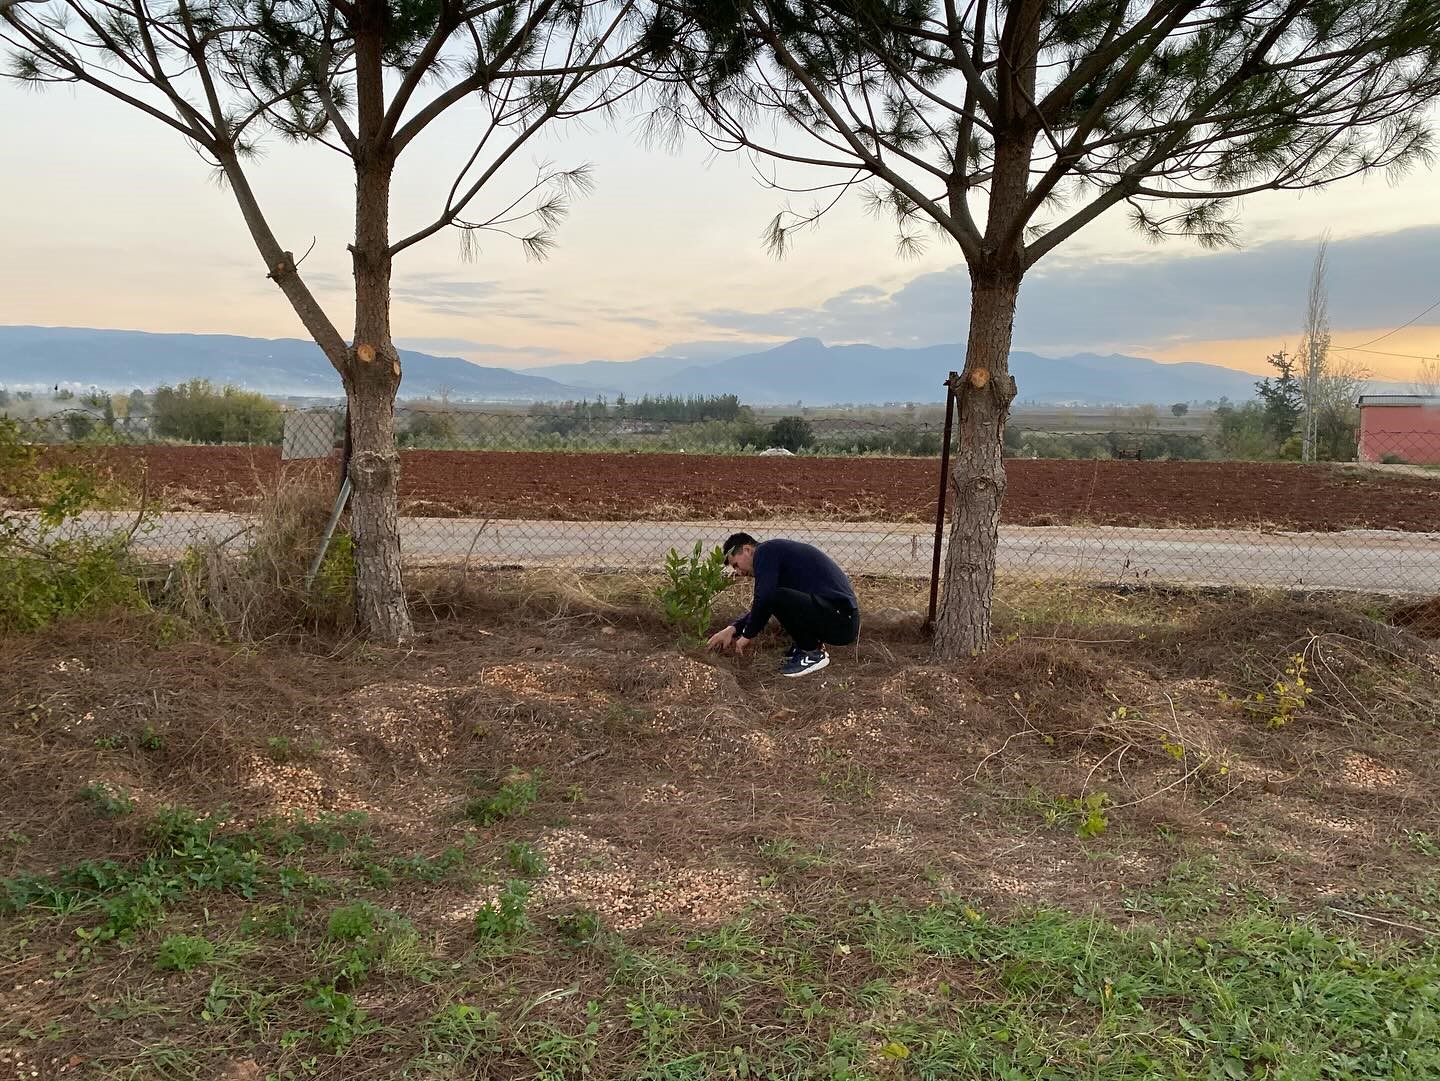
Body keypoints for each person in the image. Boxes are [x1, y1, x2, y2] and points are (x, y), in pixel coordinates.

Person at [706, 532, 860, 677]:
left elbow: (765, 598)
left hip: (841, 619)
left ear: (747, 550)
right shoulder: (776, 557)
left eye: (736, 565)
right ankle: (806, 646)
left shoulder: (765, 551)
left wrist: (747, 635)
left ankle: (811, 652)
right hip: (838, 618)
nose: (738, 572)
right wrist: (733, 629)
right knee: (775, 597)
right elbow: (766, 603)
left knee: (774, 596)